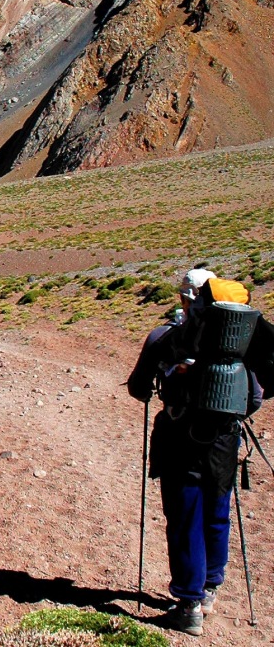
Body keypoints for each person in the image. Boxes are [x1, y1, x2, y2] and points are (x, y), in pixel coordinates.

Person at [127, 269, 262, 637]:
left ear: (185, 298)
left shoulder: (165, 337)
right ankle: (211, 588)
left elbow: (138, 389)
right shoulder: (239, 342)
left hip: (178, 437)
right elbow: (254, 397)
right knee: (217, 511)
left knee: (185, 518)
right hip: (223, 440)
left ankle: (188, 604)